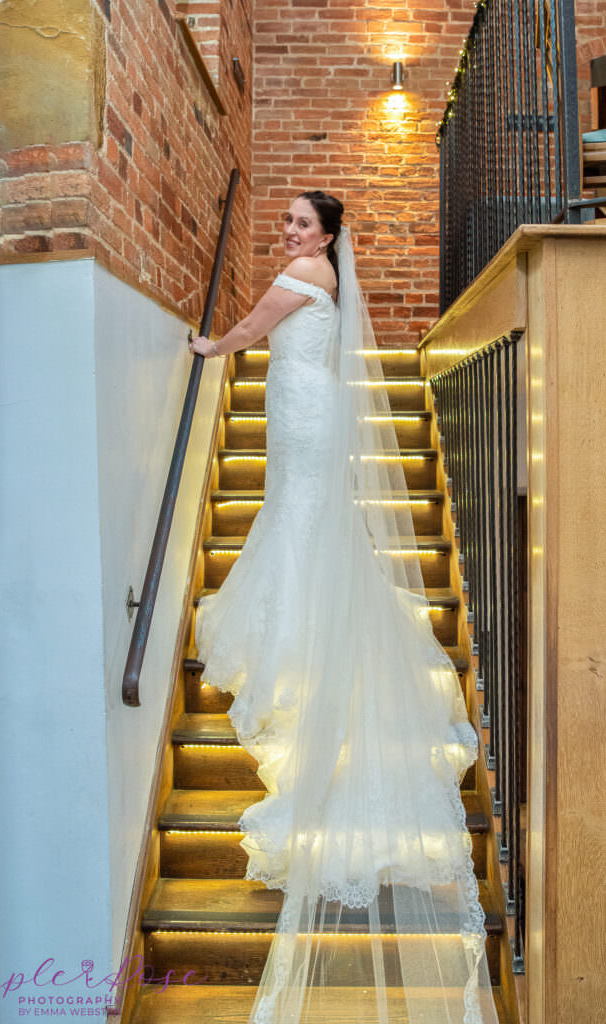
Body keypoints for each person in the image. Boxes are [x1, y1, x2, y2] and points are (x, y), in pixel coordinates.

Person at [188, 192, 499, 1024]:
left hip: (300, 409)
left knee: (295, 513)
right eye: (285, 221)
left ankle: (290, 634)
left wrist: (208, 345)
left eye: (299, 222)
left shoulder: (298, 272)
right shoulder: (322, 270)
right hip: (304, 408)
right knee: (299, 513)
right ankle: (301, 617)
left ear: (324, 236)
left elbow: (252, 327)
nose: (287, 232)